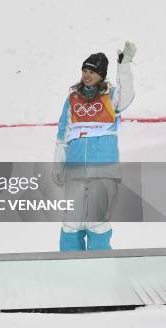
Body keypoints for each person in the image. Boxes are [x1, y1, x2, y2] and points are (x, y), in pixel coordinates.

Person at [52, 41, 136, 251]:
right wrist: (58, 163)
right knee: (72, 222)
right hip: (75, 168)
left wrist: (123, 66)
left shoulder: (112, 96)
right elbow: (63, 134)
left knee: (96, 222)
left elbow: (128, 94)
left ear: (101, 74)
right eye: (84, 70)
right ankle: (69, 267)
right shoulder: (73, 98)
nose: (86, 74)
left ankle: (100, 267)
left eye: (92, 71)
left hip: (103, 168)